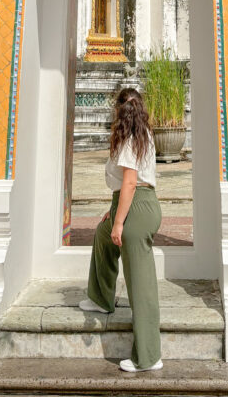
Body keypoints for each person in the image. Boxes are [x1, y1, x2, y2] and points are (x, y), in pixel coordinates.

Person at [79, 87, 162, 372]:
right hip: (130, 203)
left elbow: (130, 182)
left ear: (119, 111)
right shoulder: (139, 136)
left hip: (137, 207)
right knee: (103, 237)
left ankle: (149, 357)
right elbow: (123, 187)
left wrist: (119, 221)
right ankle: (101, 298)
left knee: (140, 284)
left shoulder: (131, 138)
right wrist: (113, 213)